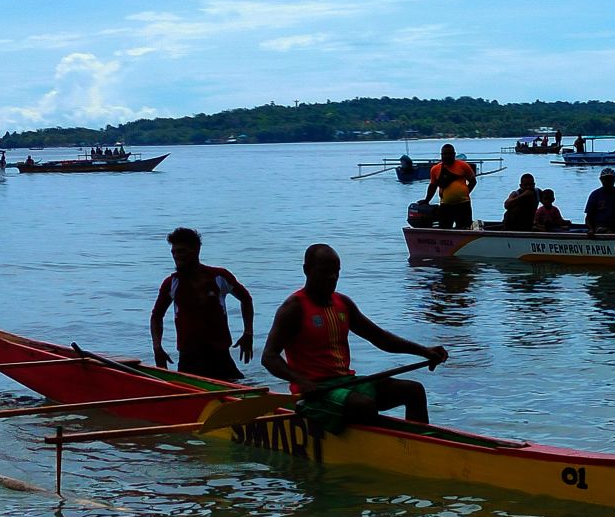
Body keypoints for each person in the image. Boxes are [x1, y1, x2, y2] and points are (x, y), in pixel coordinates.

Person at [261, 244, 448, 425]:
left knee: (413, 391)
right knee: (364, 406)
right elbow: (269, 357)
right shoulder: (293, 308)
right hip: (315, 392)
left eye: (336, 272)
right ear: (307, 270)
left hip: (346, 382)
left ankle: (417, 445)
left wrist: (424, 351)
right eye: (325, 271)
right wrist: (300, 380)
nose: (332, 277)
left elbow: (381, 338)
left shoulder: (343, 303)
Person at [151, 227, 254, 382]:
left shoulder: (219, 277)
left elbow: (246, 299)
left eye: (181, 251)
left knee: (239, 391)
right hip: (189, 358)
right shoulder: (171, 283)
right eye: (174, 252)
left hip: (220, 355)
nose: (177, 256)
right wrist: (157, 348)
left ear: (196, 250)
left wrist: (248, 333)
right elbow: (156, 316)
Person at [423, 143, 477, 229]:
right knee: (445, 229)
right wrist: (426, 200)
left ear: (454, 154)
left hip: (463, 205)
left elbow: (473, 181)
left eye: (449, 154)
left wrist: (465, 192)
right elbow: (433, 186)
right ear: (441, 155)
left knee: (465, 228)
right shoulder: (435, 169)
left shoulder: (463, 166)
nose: (447, 156)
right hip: (445, 206)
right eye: (444, 154)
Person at [584, 167, 615, 234]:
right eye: (605, 179)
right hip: (598, 228)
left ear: (614, 179)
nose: (608, 181)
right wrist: (591, 229)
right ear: (601, 180)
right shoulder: (595, 195)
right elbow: (588, 217)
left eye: (610, 179)